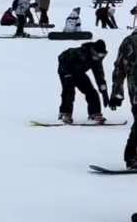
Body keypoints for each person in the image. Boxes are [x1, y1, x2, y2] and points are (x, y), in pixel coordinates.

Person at [58, 39, 109, 124]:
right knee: (69, 90)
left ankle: (94, 114)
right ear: (93, 50)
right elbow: (62, 58)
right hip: (65, 72)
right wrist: (67, 74)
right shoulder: (80, 52)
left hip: (79, 73)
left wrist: (104, 92)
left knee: (91, 92)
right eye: (98, 54)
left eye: (102, 55)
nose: (99, 57)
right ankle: (65, 113)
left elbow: (99, 75)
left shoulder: (96, 60)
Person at [109, 29, 137, 167]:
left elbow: (119, 68)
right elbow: (120, 68)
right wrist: (116, 93)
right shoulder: (130, 42)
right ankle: (131, 157)